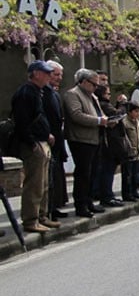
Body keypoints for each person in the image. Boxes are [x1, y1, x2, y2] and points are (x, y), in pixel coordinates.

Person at [12, 60, 57, 232]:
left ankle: (42, 216)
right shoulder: (26, 93)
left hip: (42, 141)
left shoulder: (37, 92)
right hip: (34, 144)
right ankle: (31, 220)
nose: (49, 76)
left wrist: (47, 135)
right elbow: (22, 122)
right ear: (36, 74)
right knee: (34, 184)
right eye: (46, 73)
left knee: (44, 183)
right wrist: (32, 142)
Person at [63, 68, 110, 217]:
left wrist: (107, 121)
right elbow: (76, 115)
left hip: (95, 138)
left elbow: (100, 113)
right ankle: (80, 204)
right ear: (83, 81)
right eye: (93, 84)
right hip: (81, 139)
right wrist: (98, 121)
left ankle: (89, 201)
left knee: (93, 172)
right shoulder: (73, 94)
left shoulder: (92, 96)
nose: (96, 87)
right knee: (83, 173)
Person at [43, 60, 69, 220]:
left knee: (55, 177)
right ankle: (45, 210)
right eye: (56, 74)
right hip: (47, 140)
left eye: (60, 75)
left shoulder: (54, 93)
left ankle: (53, 207)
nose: (59, 78)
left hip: (56, 140)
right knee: (46, 179)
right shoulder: (41, 93)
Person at [121, 102, 139, 201]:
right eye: (135, 111)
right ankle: (127, 194)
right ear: (129, 111)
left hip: (137, 152)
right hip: (128, 152)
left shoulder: (137, 121)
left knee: (135, 174)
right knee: (127, 175)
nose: (137, 113)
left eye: (138, 111)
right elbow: (124, 137)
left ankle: (134, 192)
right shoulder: (124, 122)